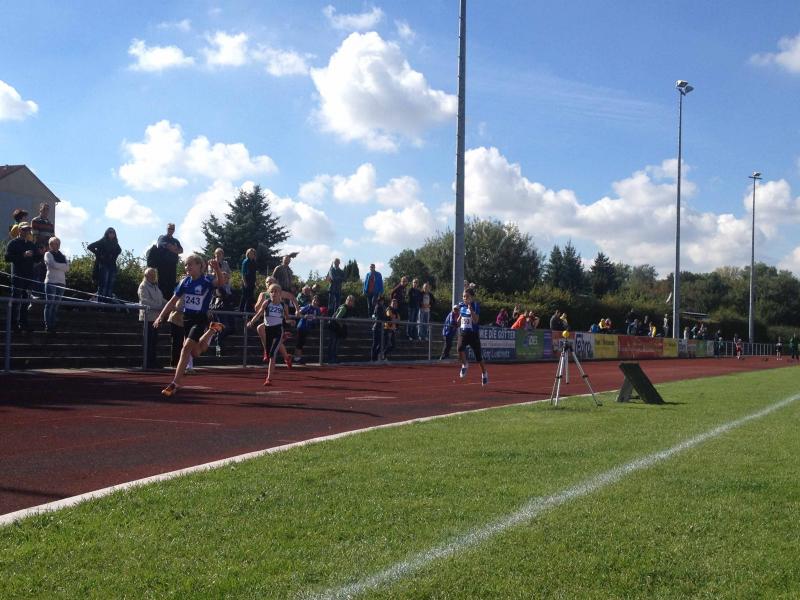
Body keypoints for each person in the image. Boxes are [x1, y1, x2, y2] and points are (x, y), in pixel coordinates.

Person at [153, 255, 225, 397]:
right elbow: (172, 301)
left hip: (199, 319)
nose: (187, 267)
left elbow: (220, 283)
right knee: (195, 352)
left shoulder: (206, 280)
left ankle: (174, 383)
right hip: (187, 319)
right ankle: (212, 330)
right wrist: (161, 316)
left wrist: (217, 269)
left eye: (190, 264)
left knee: (185, 348)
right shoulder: (185, 282)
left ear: (200, 265)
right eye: (186, 265)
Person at [248, 283, 294, 386]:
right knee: (270, 355)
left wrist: (290, 321)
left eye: (276, 291)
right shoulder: (267, 303)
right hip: (268, 330)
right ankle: (283, 341)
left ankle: (268, 379)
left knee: (272, 355)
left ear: (280, 294)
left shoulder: (283, 305)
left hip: (278, 330)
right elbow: (259, 314)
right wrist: (252, 322)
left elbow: (286, 319)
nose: (273, 293)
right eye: (271, 291)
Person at [4, 222, 37, 332]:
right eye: (24, 229)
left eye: (28, 229)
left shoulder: (31, 244)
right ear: (19, 230)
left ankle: (24, 324)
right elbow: (7, 258)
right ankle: (13, 324)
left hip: (29, 276)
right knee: (16, 300)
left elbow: (37, 258)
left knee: (26, 301)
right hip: (18, 276)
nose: (27, 231)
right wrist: (23, 255)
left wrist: (40, 254)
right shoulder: (13, 243)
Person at [457, 288, 488, 386]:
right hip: (463, 333)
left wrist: (471, 311)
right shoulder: (461, 306)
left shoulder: (475, 306)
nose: (465, 298)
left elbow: (475, 321)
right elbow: (460, 318)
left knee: (479, 358)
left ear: (472, 297)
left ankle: (484, 373)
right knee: (459, 348)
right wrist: (458, 320)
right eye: (464, 296)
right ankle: (465, 364)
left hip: (473, 334)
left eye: (467, 297)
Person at [138, 268, 166, 369]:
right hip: (148, 318)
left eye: (155, 275)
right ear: (146, 276)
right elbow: (145, 301)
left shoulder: (155, 287)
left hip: (155, 318)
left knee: (154, 341)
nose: (154, 277)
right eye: (152, 275)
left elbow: (161, 299)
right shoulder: (143, 286)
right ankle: (147, 362)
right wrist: (160, 307)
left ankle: (153, 361)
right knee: (148, 341)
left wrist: (170, 304)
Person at [42, 237, 69, 333]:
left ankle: (53, 324)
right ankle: (48, 325)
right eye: (54, 244)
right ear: (50, 245)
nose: (56, 245)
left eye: (58, 244)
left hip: (61, 282)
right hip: (51, 282)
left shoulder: (63, 256)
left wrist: (59, 265)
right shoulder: (48, 254)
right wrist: (62, 265)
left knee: (56, 305)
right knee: (50, 304)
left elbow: (67, 268)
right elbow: (52, 264)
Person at [87, 227, 121, 302]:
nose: (112, 234)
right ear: (107, 233)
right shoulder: (102, 241)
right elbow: (90, 246)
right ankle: (101, 303)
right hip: (103, 265)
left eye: (113, 232)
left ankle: (108, 303)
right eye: (110, 232)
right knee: (103, 284)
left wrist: (113, 256)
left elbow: (119, 250)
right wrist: (100, 254)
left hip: (112, 266)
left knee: (110, 285)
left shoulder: (115, 243)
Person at [31, 203, 54, 297]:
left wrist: (49, 248)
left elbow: (52, 238)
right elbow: (35, 236)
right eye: (44, 209)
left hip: (47, 251)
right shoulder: (35, 220)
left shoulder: (50, 223)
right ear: (40, 209)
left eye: (47, 209)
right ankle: (35, 294)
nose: (46, 211)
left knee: (45, 273)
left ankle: (43, 295)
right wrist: (41, 247)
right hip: (38, 251)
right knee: (36, 272)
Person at [155, 224, 183, 300]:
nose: (171, 230)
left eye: (172, 229)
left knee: (171, 285)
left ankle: (169, 302)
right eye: (169, 228)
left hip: (173, 266)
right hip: (163, 266)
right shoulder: (162, 238)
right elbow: (168, 246)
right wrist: (175, 249)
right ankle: (161, 302)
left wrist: (173, 248)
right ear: (166, 229)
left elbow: (181, 250)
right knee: (162, 285)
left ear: (174, 230)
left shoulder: (175, 240)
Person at [294, 295, 322, 364]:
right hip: (301, 326)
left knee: (301, 343)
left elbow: (318, 318)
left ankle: (297, 358)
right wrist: (304, 316)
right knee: (299, 343)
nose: (315, 302)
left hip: (307, 328)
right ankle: (297, 358)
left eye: (317, 301)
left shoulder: (318, 310)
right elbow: (298, 313)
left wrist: (315, 319)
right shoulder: (308, 306)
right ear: (312, 300)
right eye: (314, 300)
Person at [327, 294, 354, 364]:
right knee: (333, 343)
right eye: (349, 300)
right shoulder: (344, 308)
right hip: (334, 327)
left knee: (336, 343)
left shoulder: (348, 308)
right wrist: (342, 325)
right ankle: (331, 358)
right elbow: (337, 318)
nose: (350, 302)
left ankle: (334, 357)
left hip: (337, 327)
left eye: (351, 301)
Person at [239, 248, 257, 312]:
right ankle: (240, 311)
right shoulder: (245, 261)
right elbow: (243, 273)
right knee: (244, 296)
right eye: (250, 253)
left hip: (252, 280)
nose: (251, 254)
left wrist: (255, 282)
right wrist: (245, 282)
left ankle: (248, 310)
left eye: (253, 253)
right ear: (248, 254)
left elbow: (254, 273)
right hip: (246, 280)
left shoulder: (254, 261)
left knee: (250, 296)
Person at [370, 295, 388, 362]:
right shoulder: (378, 307)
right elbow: (380, 316)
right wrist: (385, 317)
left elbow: (385, 316)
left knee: (381, 343)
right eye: (381, 300)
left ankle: (375, 356)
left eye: (382, 300)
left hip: (381, 327)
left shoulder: (383, 307)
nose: (382, 302)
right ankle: (373, 358)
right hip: (377, 327)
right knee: (375, 343)